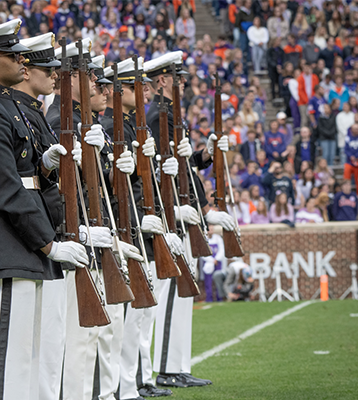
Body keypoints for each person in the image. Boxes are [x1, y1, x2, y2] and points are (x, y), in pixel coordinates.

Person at [0, 20, 88, 400]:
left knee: (39, 352)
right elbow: (4, 188)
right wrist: (49, 244)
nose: (22, 62)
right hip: (5, 238)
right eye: (12, 56)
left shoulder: (7, 108)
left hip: (22, 238)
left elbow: (24, 173)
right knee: (11, 356)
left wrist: (44, 164)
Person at [145, 51, 235, 389]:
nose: (184, 82)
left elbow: (181, 166)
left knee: (183, 296)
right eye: (177, 78)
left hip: (186, 213)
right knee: (172, 297)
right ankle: (168, 366)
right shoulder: (157, 116)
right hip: (173, 215)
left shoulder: (171, 116)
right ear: (163, 81)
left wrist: (204, 155)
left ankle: (178, 364)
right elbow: (155, 170)